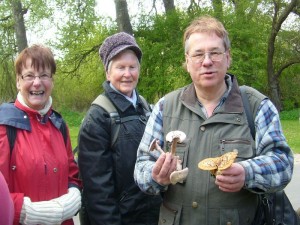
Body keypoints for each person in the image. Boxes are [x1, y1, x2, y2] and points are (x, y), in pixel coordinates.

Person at [134, 15, 294, 225]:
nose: (207, 61)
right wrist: (156, 176)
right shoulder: (166, 106)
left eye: (215, 53)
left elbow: (283, 163)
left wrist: (247, 172)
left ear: (228, 58)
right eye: (198, 54)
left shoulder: (256, 106)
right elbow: (141, 167)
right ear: (187, 62)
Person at [77, 32, 162, 225]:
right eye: (120, 67)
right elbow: (97, 192)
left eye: (132, 67)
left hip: (151, 215)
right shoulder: (98, 118)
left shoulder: (145, 107)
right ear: (108, 72)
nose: (127, 74)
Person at [0, 44, 82, 225]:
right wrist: (29, 212)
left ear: (51, 81)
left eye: (44, 75)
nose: (37, 82)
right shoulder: (4, 126)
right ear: (18, 81)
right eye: (29, 75)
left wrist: (74, 194)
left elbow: (71, 173)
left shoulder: (59, 125)